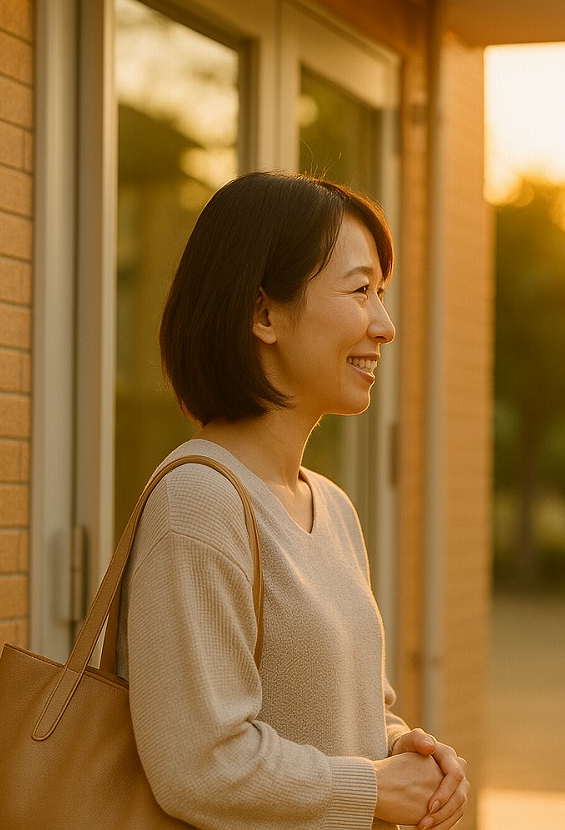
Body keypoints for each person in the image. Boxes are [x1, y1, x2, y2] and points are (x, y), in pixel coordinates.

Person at [116, 171, 468, 829]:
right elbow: (201, 765)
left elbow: (348, 715)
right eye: (361, 289)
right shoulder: (199, 501)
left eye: (381, 294)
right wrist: (373, 787)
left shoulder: (331, 507)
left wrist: (404, 752)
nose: (384, 326)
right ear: (263, 314)